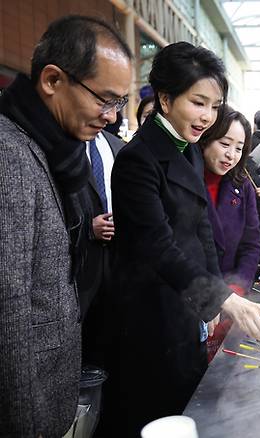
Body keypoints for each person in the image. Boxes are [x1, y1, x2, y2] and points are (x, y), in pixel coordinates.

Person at [109, 42, 260, 435]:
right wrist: (219, 296)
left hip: (185, 306)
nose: (208, 116)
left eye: (215, 105)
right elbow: (157, 247)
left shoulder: (184, 149)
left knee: (190, 405)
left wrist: (216, 293)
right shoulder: (139, 160)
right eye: (198, 102)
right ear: (165, 99)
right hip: (150, 315)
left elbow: (201, 226)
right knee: (158, 413)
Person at [0, 15, 132, 437]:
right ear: (53, 80)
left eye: (120, 104)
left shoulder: (59, 152)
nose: (112, 118)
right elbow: (9, 311)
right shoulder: (10, 155)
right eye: (104, 100)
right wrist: (28, 425)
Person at [199, 107, 260, 358]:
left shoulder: (241, 185)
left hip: (230, 301)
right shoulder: (187, 181)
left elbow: (251, 243)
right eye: (225, 143)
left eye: (239, 148)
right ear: (206, 138)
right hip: (193, 298)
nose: (231, 155)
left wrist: (235, 289)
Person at [78, 128, 125, 368]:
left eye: (116, 103)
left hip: (119, 259)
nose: (108, 113)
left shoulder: (118, 147)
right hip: (80, 266)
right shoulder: (65, 145)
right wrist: (88, 228)